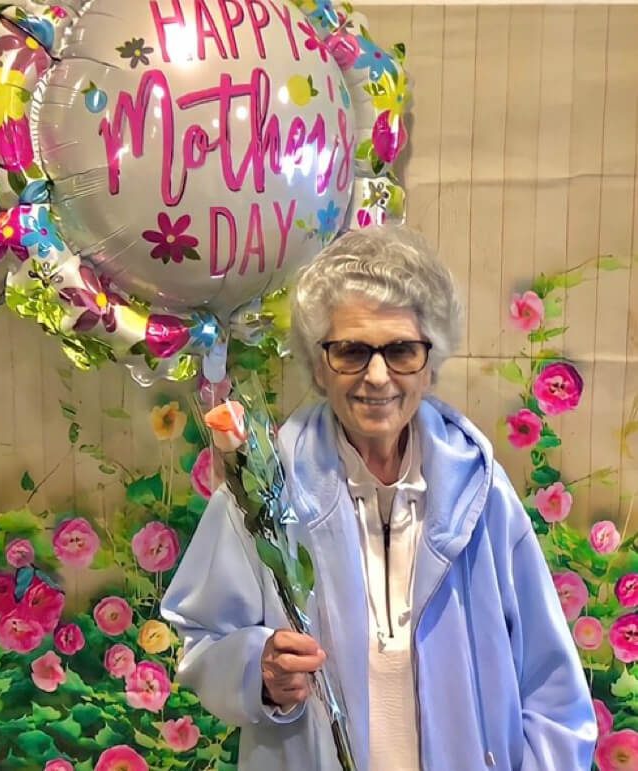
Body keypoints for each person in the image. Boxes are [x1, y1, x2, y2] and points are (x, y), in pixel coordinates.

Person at [161, 226, 596, 771]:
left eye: (401, 351)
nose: (376, 375)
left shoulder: (478, 487)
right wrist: (259, 671)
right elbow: (201, 640)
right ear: (319, 364)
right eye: (351, 350)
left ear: (430, 361)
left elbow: (551, 686)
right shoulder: (266, 488)